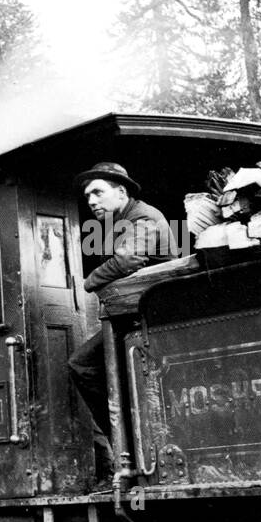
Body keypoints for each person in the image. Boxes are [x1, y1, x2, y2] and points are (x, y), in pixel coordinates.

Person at [67, 161, 174, 479]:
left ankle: (126, 441)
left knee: (83, 365)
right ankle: (125, 439)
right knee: (83, 365)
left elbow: (128, 259)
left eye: (98, 192)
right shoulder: (118, 222)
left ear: (121, 191)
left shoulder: (142, 216)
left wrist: (90, 281)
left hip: (151, 316)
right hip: (133, 315)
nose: (92, 201)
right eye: (88, 197)